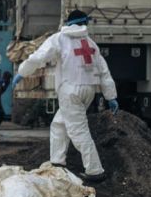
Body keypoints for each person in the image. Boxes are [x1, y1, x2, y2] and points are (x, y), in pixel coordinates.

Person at [14, 10, 118, 183]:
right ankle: (57, 161)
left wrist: (22, 72)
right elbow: (104, 72)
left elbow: (38, 57)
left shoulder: (59, 39)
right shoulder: (90, 43)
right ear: (84, 23)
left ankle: (95, 170)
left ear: (68, 23)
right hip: (89, 90)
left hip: (70, 91)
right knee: (59, 124)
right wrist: (110, 96)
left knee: (78, 131)